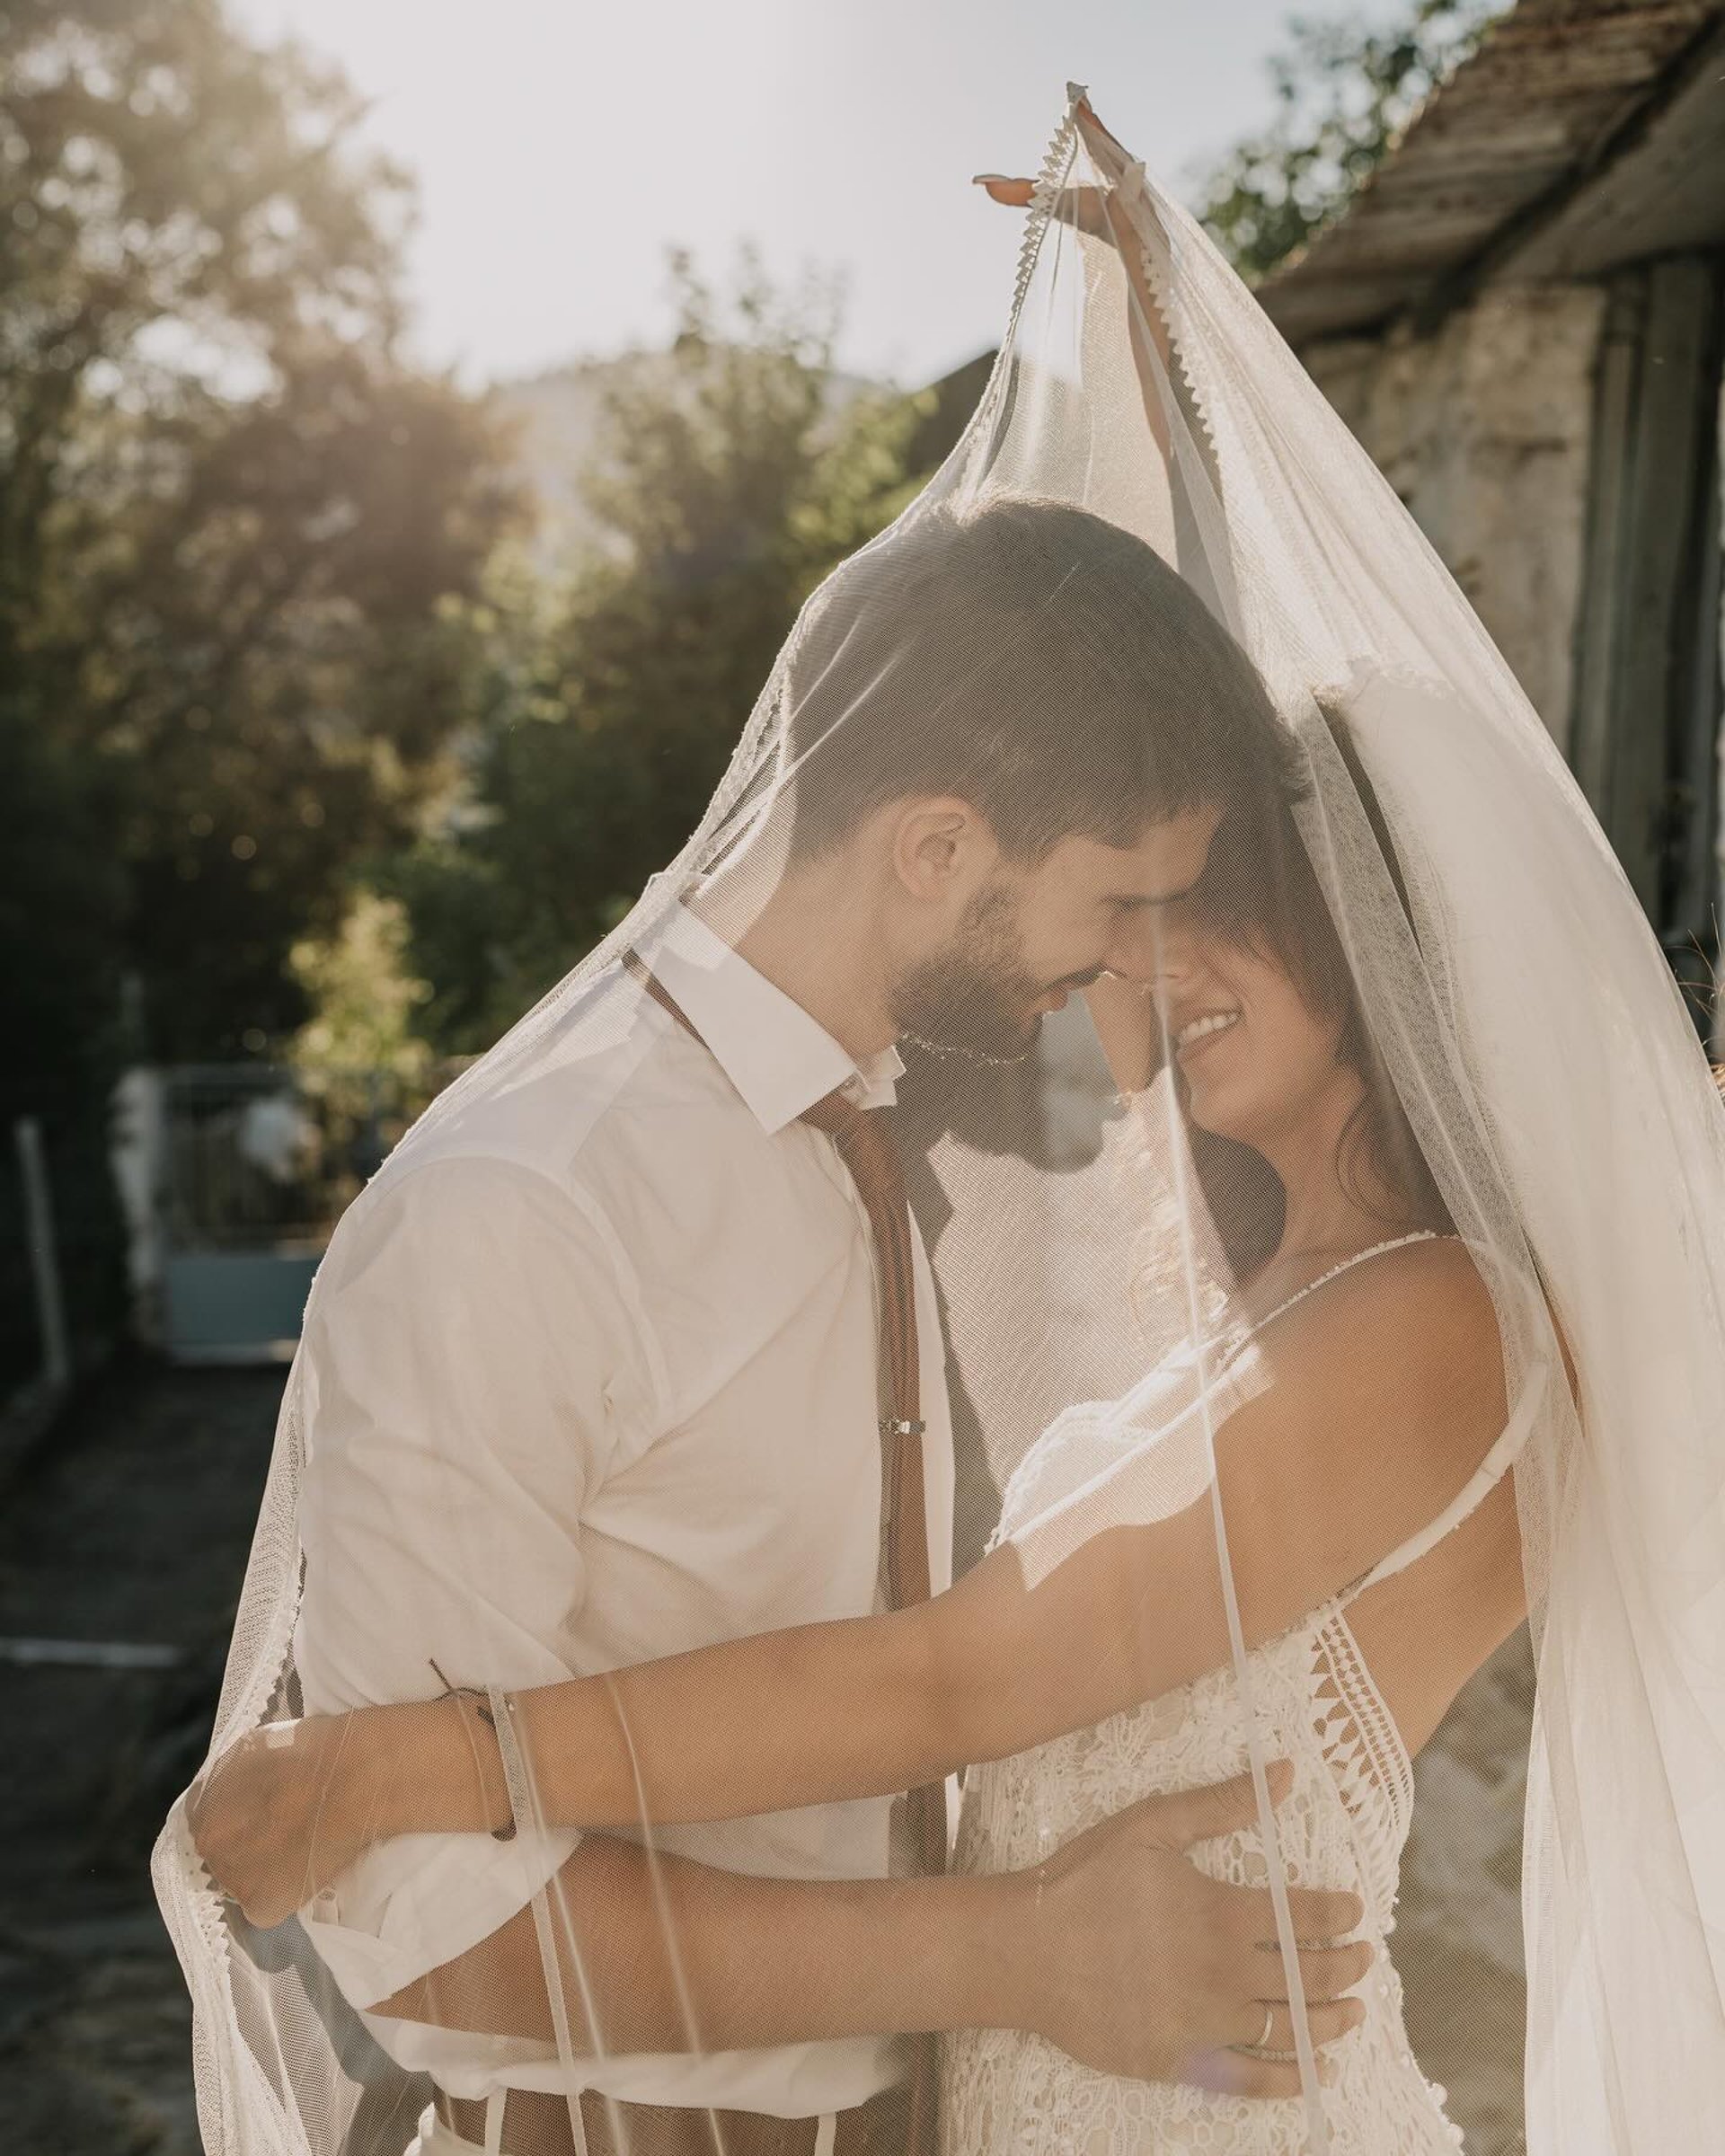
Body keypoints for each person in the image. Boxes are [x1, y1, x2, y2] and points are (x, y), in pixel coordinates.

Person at [175, 493, 1368, 2156]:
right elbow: (428, 1926)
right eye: (1114, 903)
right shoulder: (525, 1207)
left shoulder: (849, 1134)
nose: (1130, 967)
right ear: (938, 848)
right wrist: (1016, 1953)